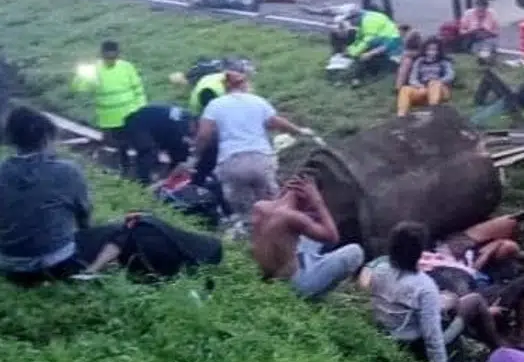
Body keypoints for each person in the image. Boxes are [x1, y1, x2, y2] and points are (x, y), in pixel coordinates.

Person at [0, 106, 93, 283]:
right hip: (58, 265)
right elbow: (83, 217)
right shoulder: (69, 171)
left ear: (11, 138)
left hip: (11, 267)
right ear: (46, 137)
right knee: (116, 232)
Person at [361, 221, 502, 362]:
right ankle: (498, 348)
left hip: (386, 330)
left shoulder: (380, 270)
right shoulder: (423, 285)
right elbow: (432, 338)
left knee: (450, 301)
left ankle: (491, 345)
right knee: (474, 301)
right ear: (419, 252)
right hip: (412, 344)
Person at [182, 70, 312, 220]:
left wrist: (194, 156)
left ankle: (252, 234)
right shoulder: (258, 101)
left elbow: (204, 135)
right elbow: (276, 122)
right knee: (274, 206)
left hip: (231, 162)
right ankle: (279, 232)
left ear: (225, 87)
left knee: (246, 213)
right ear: (244, 84)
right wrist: (299, 131)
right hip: (261, 159)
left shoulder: (214, 105)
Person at [249, 174, 365, 299]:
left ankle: (316, 262)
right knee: (355, 252)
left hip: (266, 273)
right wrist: (318, 202)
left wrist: (284, 195)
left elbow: (275, 227)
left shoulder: (260, 207)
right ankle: (317, 297)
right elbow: (332, 236)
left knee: (310, 233)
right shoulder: (293, 217)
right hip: (291, 285)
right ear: (306, 196)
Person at [70, 40, 147, 175]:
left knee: (139, 144)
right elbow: (79, 89)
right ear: (102, 55)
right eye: (108, 57)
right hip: (111, 119)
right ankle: (125, 170)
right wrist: (80, 76)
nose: (111, 60)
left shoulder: (126, 67)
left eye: (113, 57)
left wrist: (142, 109)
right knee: (120, 146)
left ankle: (138, 170)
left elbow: (138, 88)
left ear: (118, 54)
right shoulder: (94, 71)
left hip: (131, 114)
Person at [120, 102, 195, 185]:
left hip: (156, 128)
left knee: (180, 150)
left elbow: (180, 148)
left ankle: (169, 177)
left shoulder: (185, 120)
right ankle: (142, 182)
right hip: (139, 123)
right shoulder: (183, 122)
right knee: (149, 152)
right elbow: (180, 141)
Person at [328, 7, 405, 83]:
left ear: (356, 18)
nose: (351, 23)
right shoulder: (365, 19)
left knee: (365, 56)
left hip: (391, 46)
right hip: (382, 41)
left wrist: (353, 53)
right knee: (361, 53)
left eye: (351, 20)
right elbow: (360, 38)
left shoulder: (368, 21)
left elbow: (367, 40)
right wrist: (350, 50)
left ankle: (364, 74)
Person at [397, 37, 454, 116]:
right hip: (423, 89)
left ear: (438, 51)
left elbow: (450, 75)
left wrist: (439, 81)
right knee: (404, 89)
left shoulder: (443, 62)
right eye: (429, 49)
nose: (431, 52)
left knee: (433, 83)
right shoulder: (419, 61)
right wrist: (419, 86)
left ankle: (433, 111)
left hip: (440, 89)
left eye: (434, 50)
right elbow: (413, 78)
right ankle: (401, 115)